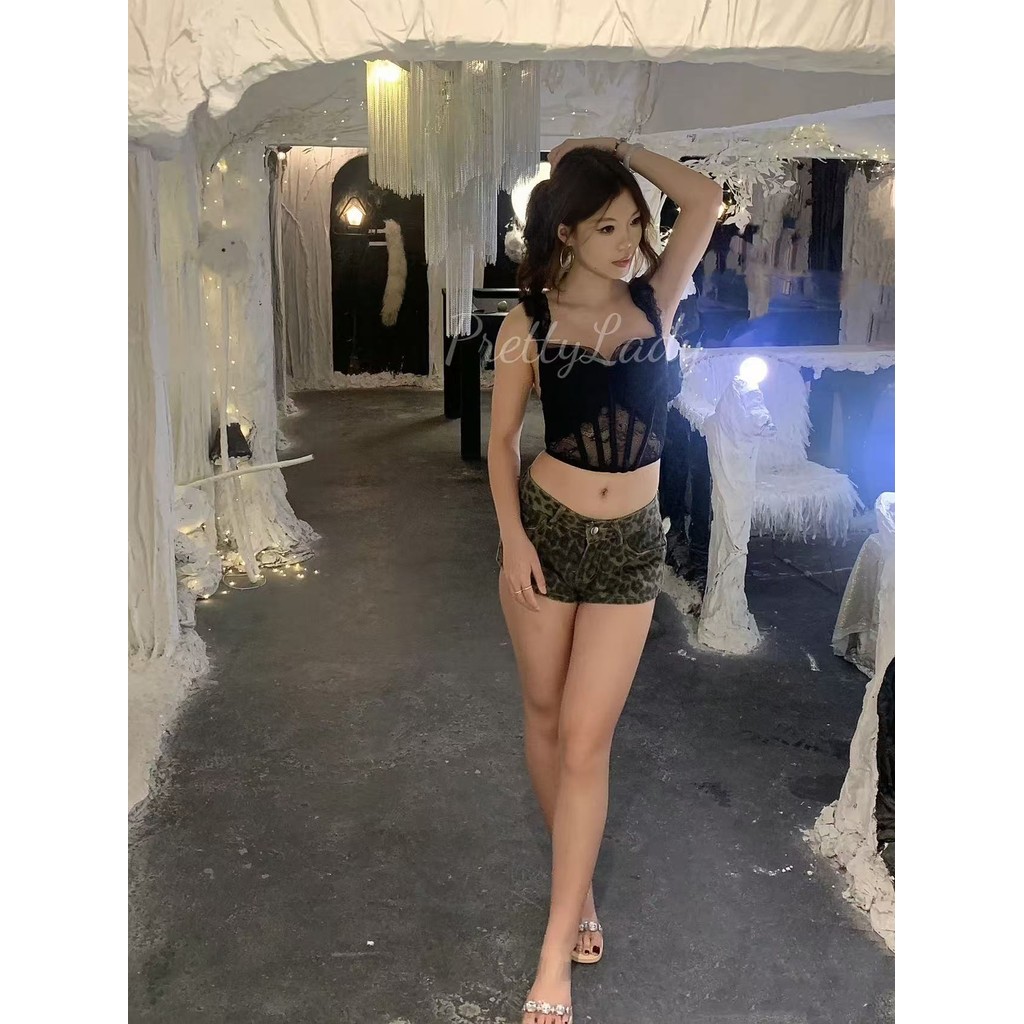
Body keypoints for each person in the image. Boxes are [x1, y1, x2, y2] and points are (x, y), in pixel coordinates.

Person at [486, 138, 720, 1024]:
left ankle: (555, 954)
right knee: (546, 718)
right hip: (546, 536)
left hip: (629, 547)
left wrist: (618, 151)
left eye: (633, 224)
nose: (628, 242)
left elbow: (704, 200)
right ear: (567, 234)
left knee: (587, 741)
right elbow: (501, 446)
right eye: (608, 227)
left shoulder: (656, 298)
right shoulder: (528, 323)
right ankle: (577, 887)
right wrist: (512, 540)